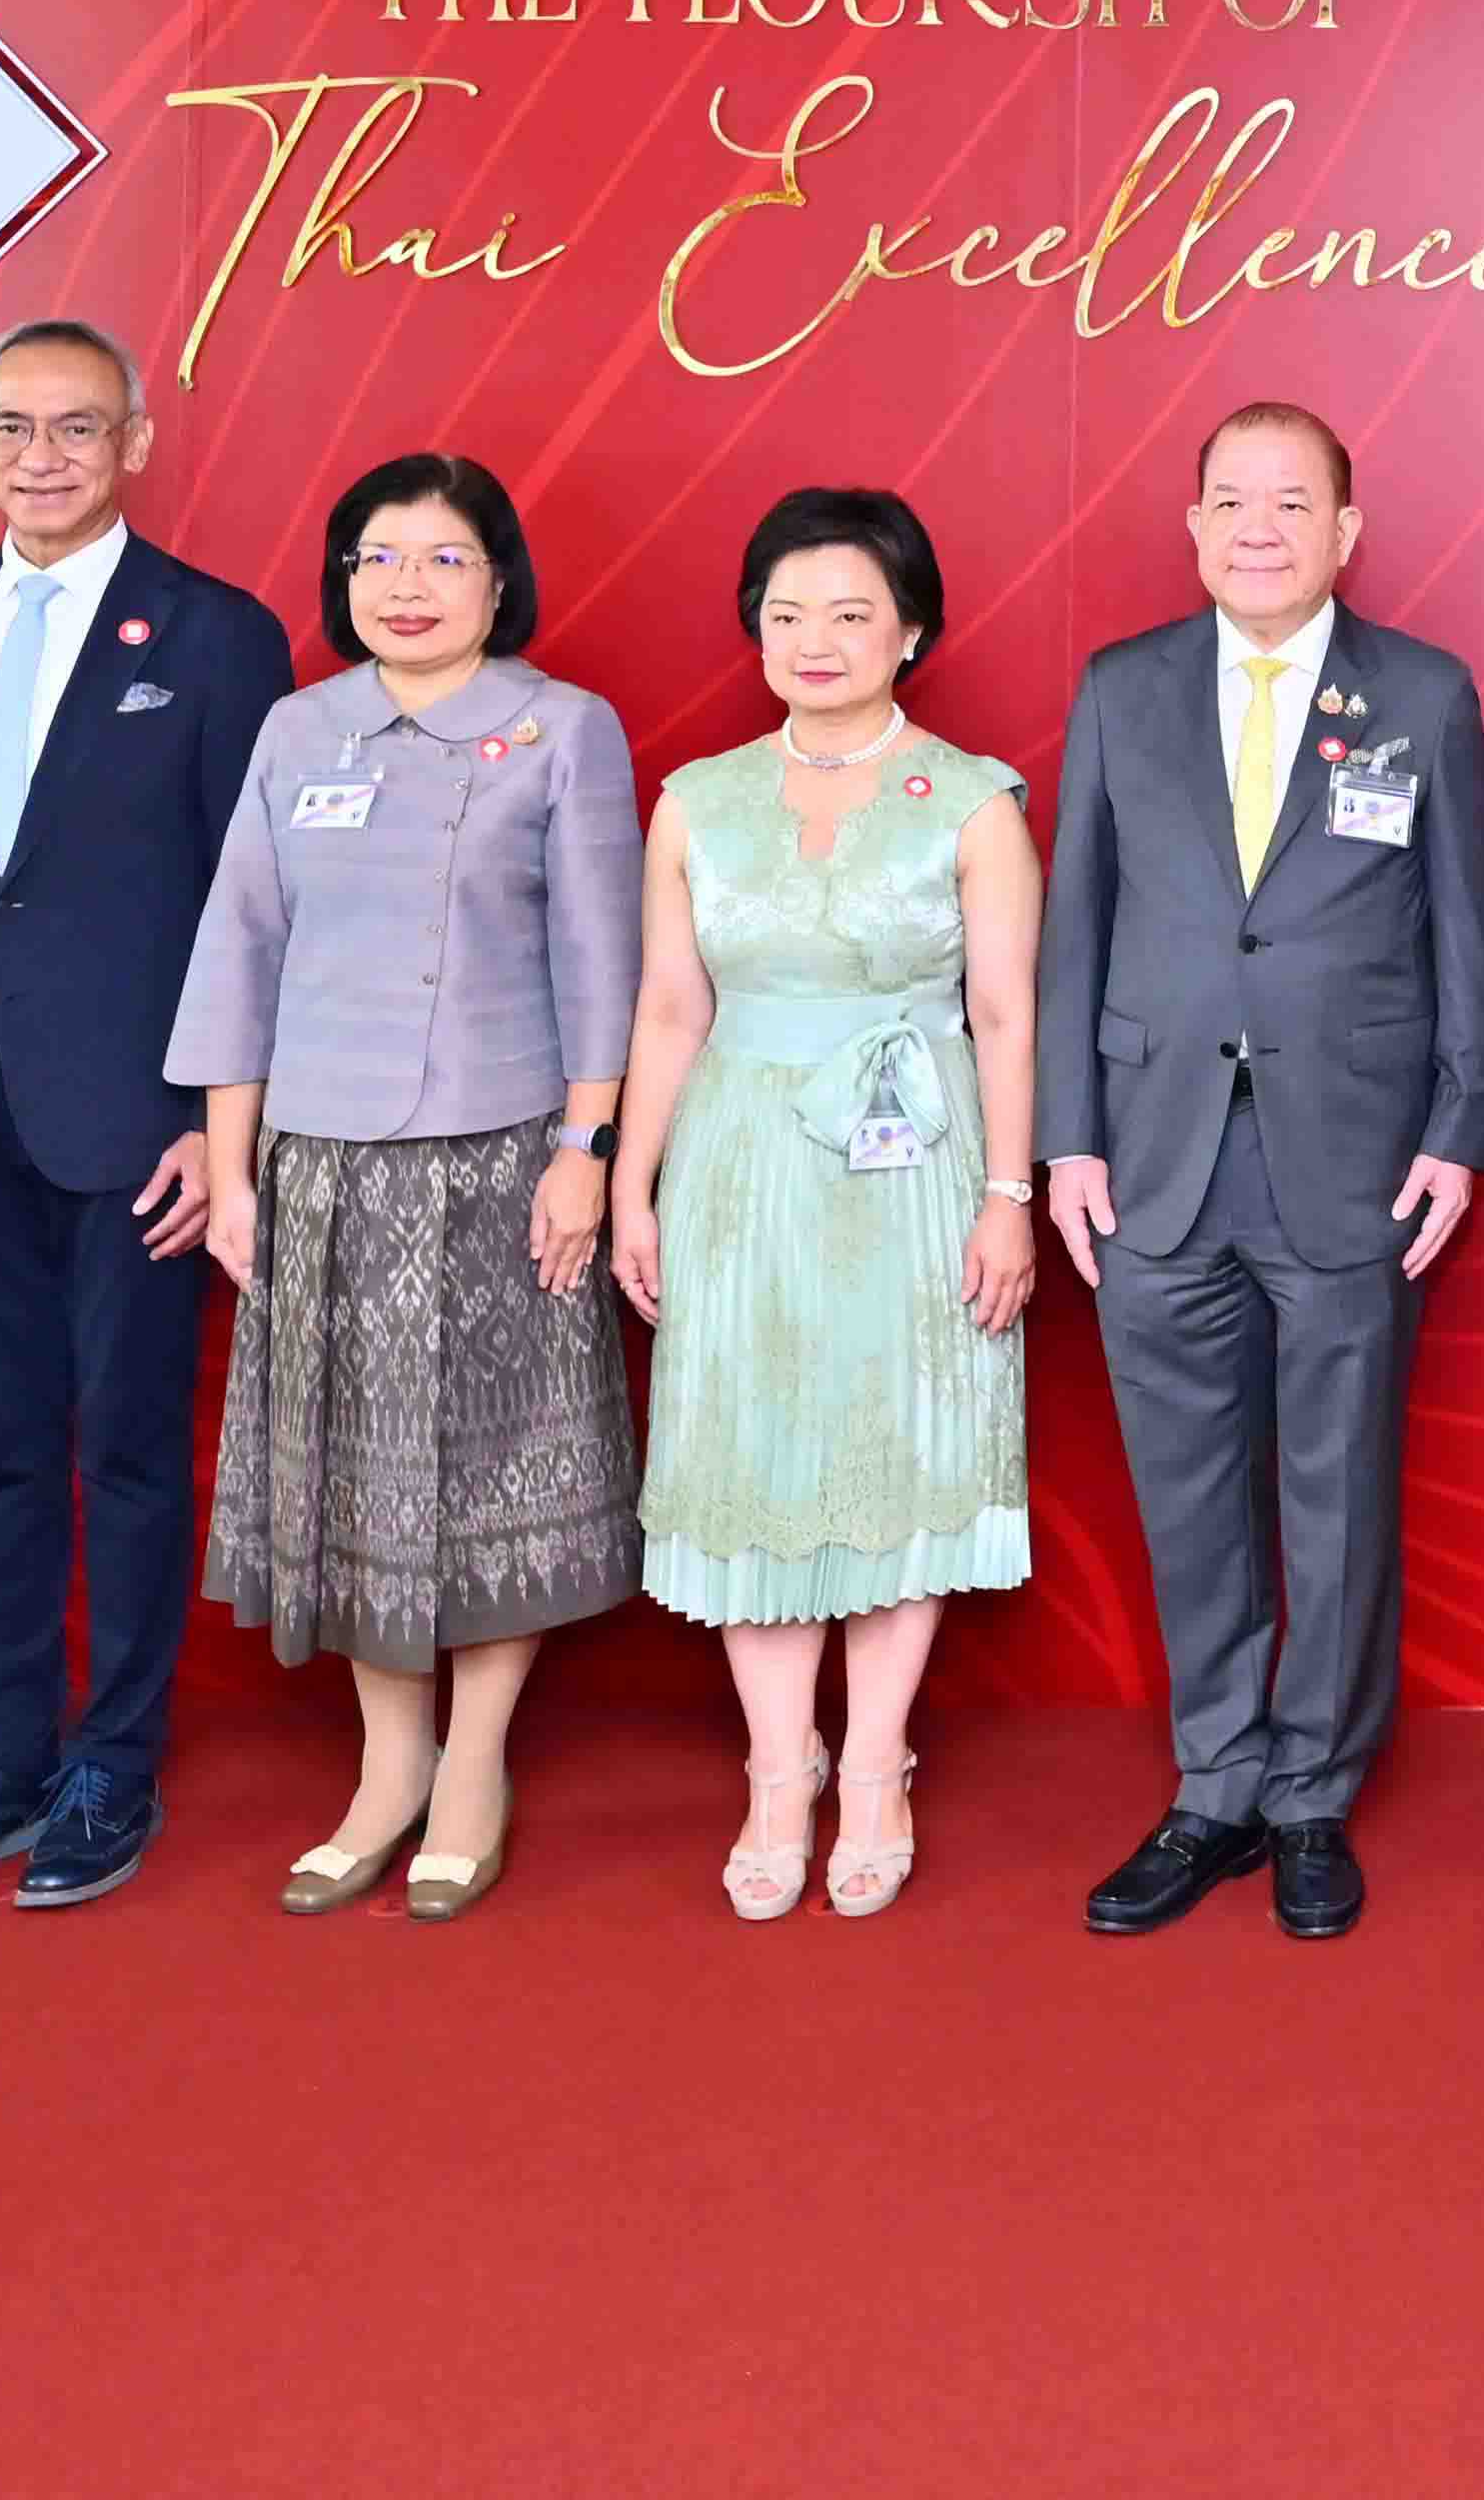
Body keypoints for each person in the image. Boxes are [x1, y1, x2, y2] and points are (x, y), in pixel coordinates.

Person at [0, 319, 296, 1915]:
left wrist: (217, 1121)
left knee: (132, 1449)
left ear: (135, 443)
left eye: (78, 428)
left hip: (138, 1123)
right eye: (14, 427)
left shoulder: (217, 635)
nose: (43, 457)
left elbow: (252, 903)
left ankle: (114, 1762)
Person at [1035, 404, 1484, 1942]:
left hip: (1350, 1160)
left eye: (1292, 503)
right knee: (1188, 1492)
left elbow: (1466, 927)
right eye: (1231, 501)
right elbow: (1075, 926)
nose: (1259, 528)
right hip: (1153, 1157)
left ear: (1344, 533)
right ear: (1192, 526)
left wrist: (1458, 1128)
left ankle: (1312, 1793)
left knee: (1338, 1489)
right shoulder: (1122, 689)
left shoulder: (1421, 696)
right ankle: (1216, 1785)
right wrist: (1066, 1135)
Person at [173, 451, 642, 1924]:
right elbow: (239, 951)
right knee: (356, 1474)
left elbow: (605, 962)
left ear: (499, 582)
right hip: (322, 1164)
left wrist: (585, 1154)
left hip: (505, 1153)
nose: (408, 587)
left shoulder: (563, 728)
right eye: (378, 558)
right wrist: (233, 1170)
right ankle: (391, 1765)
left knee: (503, 1467)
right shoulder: (299, 728)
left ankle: (475, 1763)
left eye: (444, 559)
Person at [614, 487, 1041, 1921]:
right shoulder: (698, 799)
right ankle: (775, 1772)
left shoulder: (972, 800)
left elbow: (1007, 1012)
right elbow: (670, 1007)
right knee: (751, 1452)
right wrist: (633, 1186)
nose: (817, 639)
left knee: (900, 1445)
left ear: (910, 631)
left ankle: (873, 1769)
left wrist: (1008, 1195)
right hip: (739, 1164)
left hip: (918, 1166)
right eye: (787, 613)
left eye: (853, 613)